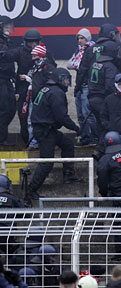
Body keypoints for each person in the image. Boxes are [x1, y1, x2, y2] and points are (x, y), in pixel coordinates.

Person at [25, 68, 81, 206]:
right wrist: (76, 128)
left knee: (67, 144)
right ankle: (30, 190)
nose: (67, 82)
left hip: (46, 129)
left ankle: (68, 174)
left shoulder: (46, 89)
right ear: (59, 79)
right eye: (66, 79)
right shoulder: (56, 93)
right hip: (45, 131)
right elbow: (61, 116)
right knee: (47, 162)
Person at [1, 28, 56, 145]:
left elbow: (52, 70)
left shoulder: (45, 54)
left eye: (35, 42)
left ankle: (38, 141)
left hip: (39, 90)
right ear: (25, 42)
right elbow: (7, 56)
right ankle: (27, 140)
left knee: (38, 116)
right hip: (23, 90)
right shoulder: (20, 51)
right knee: (22, 115)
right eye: (30, 42)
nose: (33, 45)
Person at [76, 23, 121, 98]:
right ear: (111, 34)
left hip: (92, 91)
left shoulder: (90, 49)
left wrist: (77, 87)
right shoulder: (115, 47)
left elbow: (82, 70)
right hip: (110, 90)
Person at [87, 41, 120, 157]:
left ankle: (102, 150)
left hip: (92, 99)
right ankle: (100, 150)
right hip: (102, 100)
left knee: (101, 126)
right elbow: (110, 86)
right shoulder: (110, 66)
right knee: (110, 124)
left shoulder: (95, 64)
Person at [67, 28, 98, 146]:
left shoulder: (92, 50)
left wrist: (77, 65)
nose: (79, 41)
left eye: (82, 38)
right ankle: (85, 137)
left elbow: (83, 66)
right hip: (79, 85)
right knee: (80, 114)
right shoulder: (78, 51)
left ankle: (96, 137)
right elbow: (69, 65)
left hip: (87, 86)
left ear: (88, 38)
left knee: (87, 113)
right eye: (78, 38)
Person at [0, 16, 16, 146]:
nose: (9, 29)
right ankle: (1, 139)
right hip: (1, 80)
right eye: (6, 27)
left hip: (7, 79)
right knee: (5, 109)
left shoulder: (6, 41)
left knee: (11, 108)